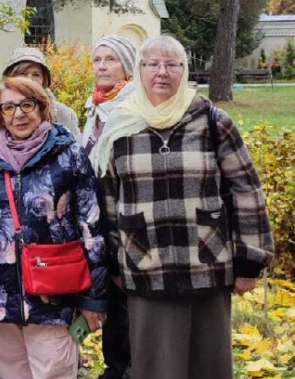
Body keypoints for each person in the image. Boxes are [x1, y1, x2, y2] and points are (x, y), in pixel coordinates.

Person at [91, 35, 274, 379]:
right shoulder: (121, 126)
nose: (162, 72)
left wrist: (251, 258)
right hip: (146, 264)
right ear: (139, 70)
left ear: (184, 70)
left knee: (208, 367)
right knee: (156, 368)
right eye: (153, 64)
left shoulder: (212, 121)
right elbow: (110, 200)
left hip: (206, 262)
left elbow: (246, 189)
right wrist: (112, 260)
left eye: (172, 64)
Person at [0, 77, 109, 379]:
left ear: (42, 108)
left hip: (54, 297)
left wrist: (95, 296)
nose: (19, 114)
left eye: (27, 105)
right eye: (9, 107)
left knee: (53, 373)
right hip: (1, 297)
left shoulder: (68, 153)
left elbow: (91, 224)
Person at [81, 35, 136, 379]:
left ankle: (129, 369)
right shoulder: (95, 108)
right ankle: (114, 368)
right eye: (98, 59)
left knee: (127, 301)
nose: (102, 66)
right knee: (111, 299)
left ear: (126, 66)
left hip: (125, 218)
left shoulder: (131, 108)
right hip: (98, 217)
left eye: (110, 59)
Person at [0, 46, 80, 137]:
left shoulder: (65, 115)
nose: (30, 80)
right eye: (22, 74)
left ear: (44, 80)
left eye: (36, 75)